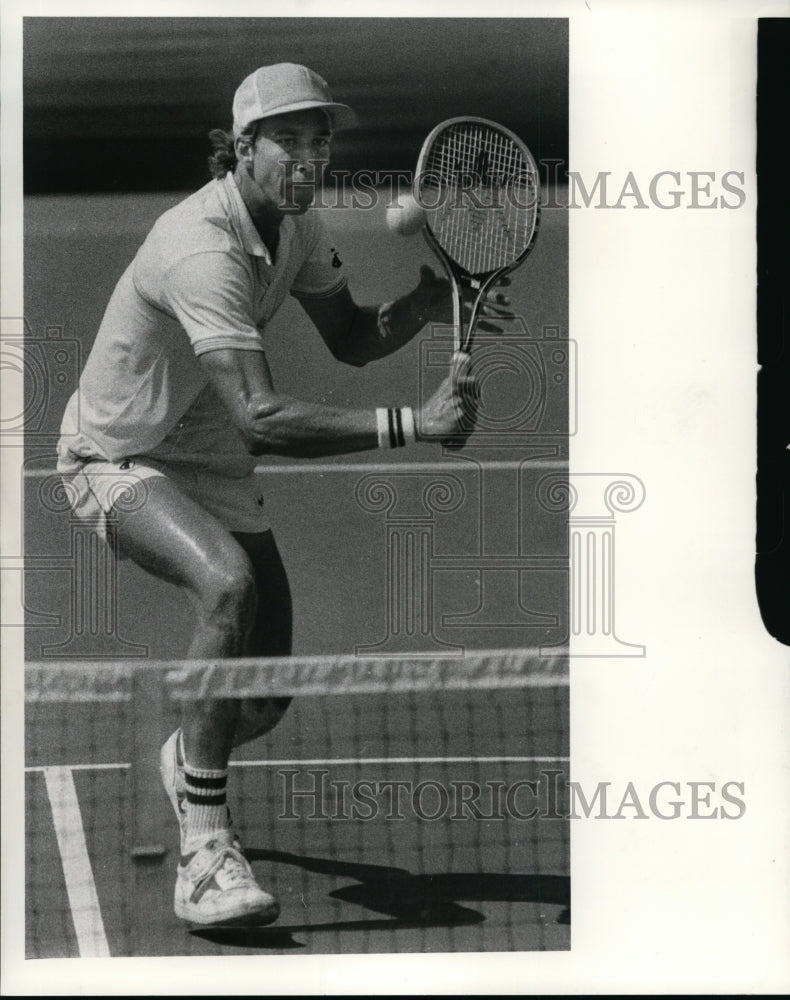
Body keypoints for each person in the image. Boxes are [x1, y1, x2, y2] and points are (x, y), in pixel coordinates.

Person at [56, 63, 506, 927]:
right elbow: (262, 416)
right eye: (288, 139)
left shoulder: (297, 225)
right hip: (118, 455)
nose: (309, 155)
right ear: (242, 147)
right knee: (228, 586)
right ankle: (205, 853)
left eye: (321, 138)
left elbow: (349, 339)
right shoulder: (201, 246)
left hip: (208, 459)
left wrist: (421, 306)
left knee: (259, 696)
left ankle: (191, 749)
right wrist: (418, 423)